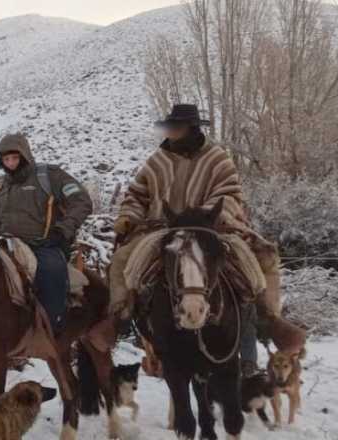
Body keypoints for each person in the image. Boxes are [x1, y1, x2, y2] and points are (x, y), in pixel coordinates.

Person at [106, 104, 305, 356]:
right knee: (122, 258)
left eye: (176, 128)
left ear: (191, 128)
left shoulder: (216, 158)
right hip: (162, 228)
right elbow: (137, 194)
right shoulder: (156, 161)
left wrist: (207, 216)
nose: (170, 132)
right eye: (169, 128)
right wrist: (128, 216)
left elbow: (229, 192)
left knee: (260, 257)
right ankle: (119, 317)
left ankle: (268, 317)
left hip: (212, 227)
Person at [0, 133, 93, 333]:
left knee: (52, 272)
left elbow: (82, 201)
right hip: (5, 244)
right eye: (6, 159)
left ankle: (52, 328)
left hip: (43, 244)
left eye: (15, 158)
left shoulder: (49, 176)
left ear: (25, 156)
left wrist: (63, 229)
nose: (11, 163)